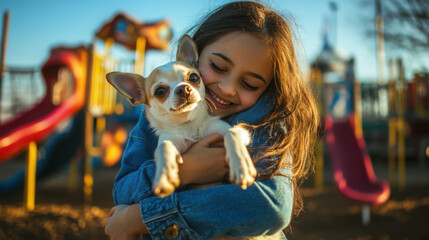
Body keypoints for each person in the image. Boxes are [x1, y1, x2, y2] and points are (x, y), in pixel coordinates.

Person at [105, 1, 319, 239]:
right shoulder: (154, 119)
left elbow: (271, 206)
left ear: (269, 88)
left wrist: (140, 218)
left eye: (250, 84)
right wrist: (187, 170)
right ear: (196, 56)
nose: (227, 89)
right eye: (217, 67)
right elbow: (122, 193)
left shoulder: (264, 120)